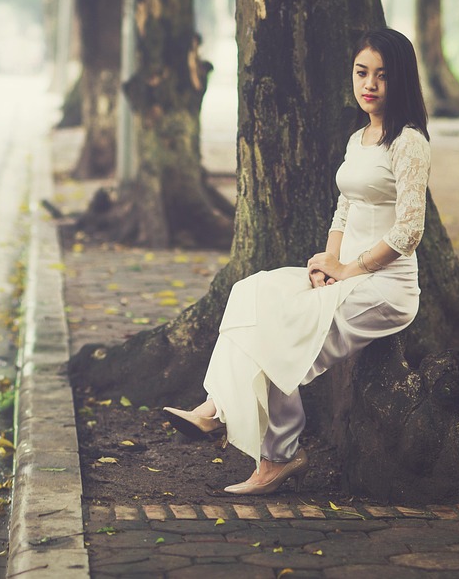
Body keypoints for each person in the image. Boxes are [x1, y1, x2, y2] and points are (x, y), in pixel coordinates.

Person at [163, 27, 432, 495]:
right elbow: (345, 207)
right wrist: (327, 259)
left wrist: (351, 268)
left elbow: (409, 229)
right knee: (253, 294)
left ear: (401, 81)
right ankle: (215, 408)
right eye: (361, 72)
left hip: (385, 286)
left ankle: (272, 455)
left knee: (285, 330)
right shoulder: (359, 138)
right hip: (344, 273)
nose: (369, 84)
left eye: (382, 77)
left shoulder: (408, 142)